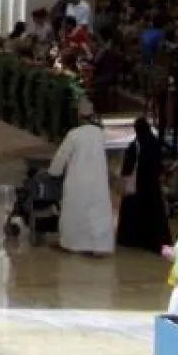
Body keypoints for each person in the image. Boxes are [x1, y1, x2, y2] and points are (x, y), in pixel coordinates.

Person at [47, 109, 115, 256]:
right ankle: (99, 246)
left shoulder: (74, 134)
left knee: (75, 213)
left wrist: (53, 172)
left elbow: (61, 157)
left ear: (80, 118)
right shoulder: (100, 135)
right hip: (98, 182)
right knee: (97, 215)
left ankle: (73, 245)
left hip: (77, 181)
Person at [117, 116, 172, 253]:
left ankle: (132, 239)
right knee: (153, 212)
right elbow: (158, 163)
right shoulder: (154, 143)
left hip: (137, 185)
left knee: (133, 211)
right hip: (151, 186)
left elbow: (128, 166)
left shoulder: (136, 144)